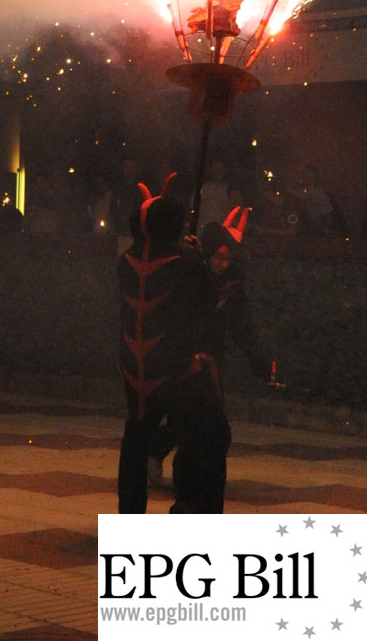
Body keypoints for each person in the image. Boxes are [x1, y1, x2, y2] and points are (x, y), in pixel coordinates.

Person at [117, 176, 231, 513]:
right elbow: (206, 303)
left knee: (136, 437)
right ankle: (190, 511)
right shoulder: (185, 264)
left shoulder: (125, 261)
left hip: (133, 369)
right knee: (209, 432)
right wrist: (198, 260)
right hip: (174, 370)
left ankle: (130, 515)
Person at [147, 206, 271, 487]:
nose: (223, 264)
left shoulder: (232, 289)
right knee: (184, 416)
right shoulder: (191, 275)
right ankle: (163, 457)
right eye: (219, 257)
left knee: (209, 418)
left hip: (210, 360)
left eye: (228, 259)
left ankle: (196, 472)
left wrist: (259, 362)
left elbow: (243, 329)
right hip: (182, 356)